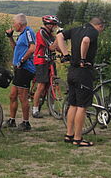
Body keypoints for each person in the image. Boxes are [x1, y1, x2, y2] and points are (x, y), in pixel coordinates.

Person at [55, 16, 105, 147]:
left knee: (73, 104)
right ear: (99, 26)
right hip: (83, 72)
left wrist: (65, 54)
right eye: (101, 30)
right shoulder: (92, 32)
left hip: (72, 71)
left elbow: (59, 36)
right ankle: (78, 138)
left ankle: (69, 134)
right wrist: (83, 58)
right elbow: (86, 41)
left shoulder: (76, 29)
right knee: (82, 107)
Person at [4, 13, 36, 131]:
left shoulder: (28, 32)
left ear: (19, 24)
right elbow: (15, 48)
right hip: (19, 69)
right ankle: (12, 120)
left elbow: (32, 48)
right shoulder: (21, 34)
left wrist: (22, 60)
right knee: (12, 95)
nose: (13, 25)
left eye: (14, 23)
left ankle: (26, 123)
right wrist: (10, 37)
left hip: (25, 69)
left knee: (23, 96)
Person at [31, 15, 61, 118]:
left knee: (52, 84)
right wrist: (59, 36)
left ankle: (52, 109)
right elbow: (52, 47)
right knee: (41, 85)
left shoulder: (50, 33)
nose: (55, 26)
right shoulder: (42, 33)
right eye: (54, 24)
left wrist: (65, 54)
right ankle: (35, 109)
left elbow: (56, 47)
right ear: (48, 25)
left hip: (50, 61)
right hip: (41, 61)